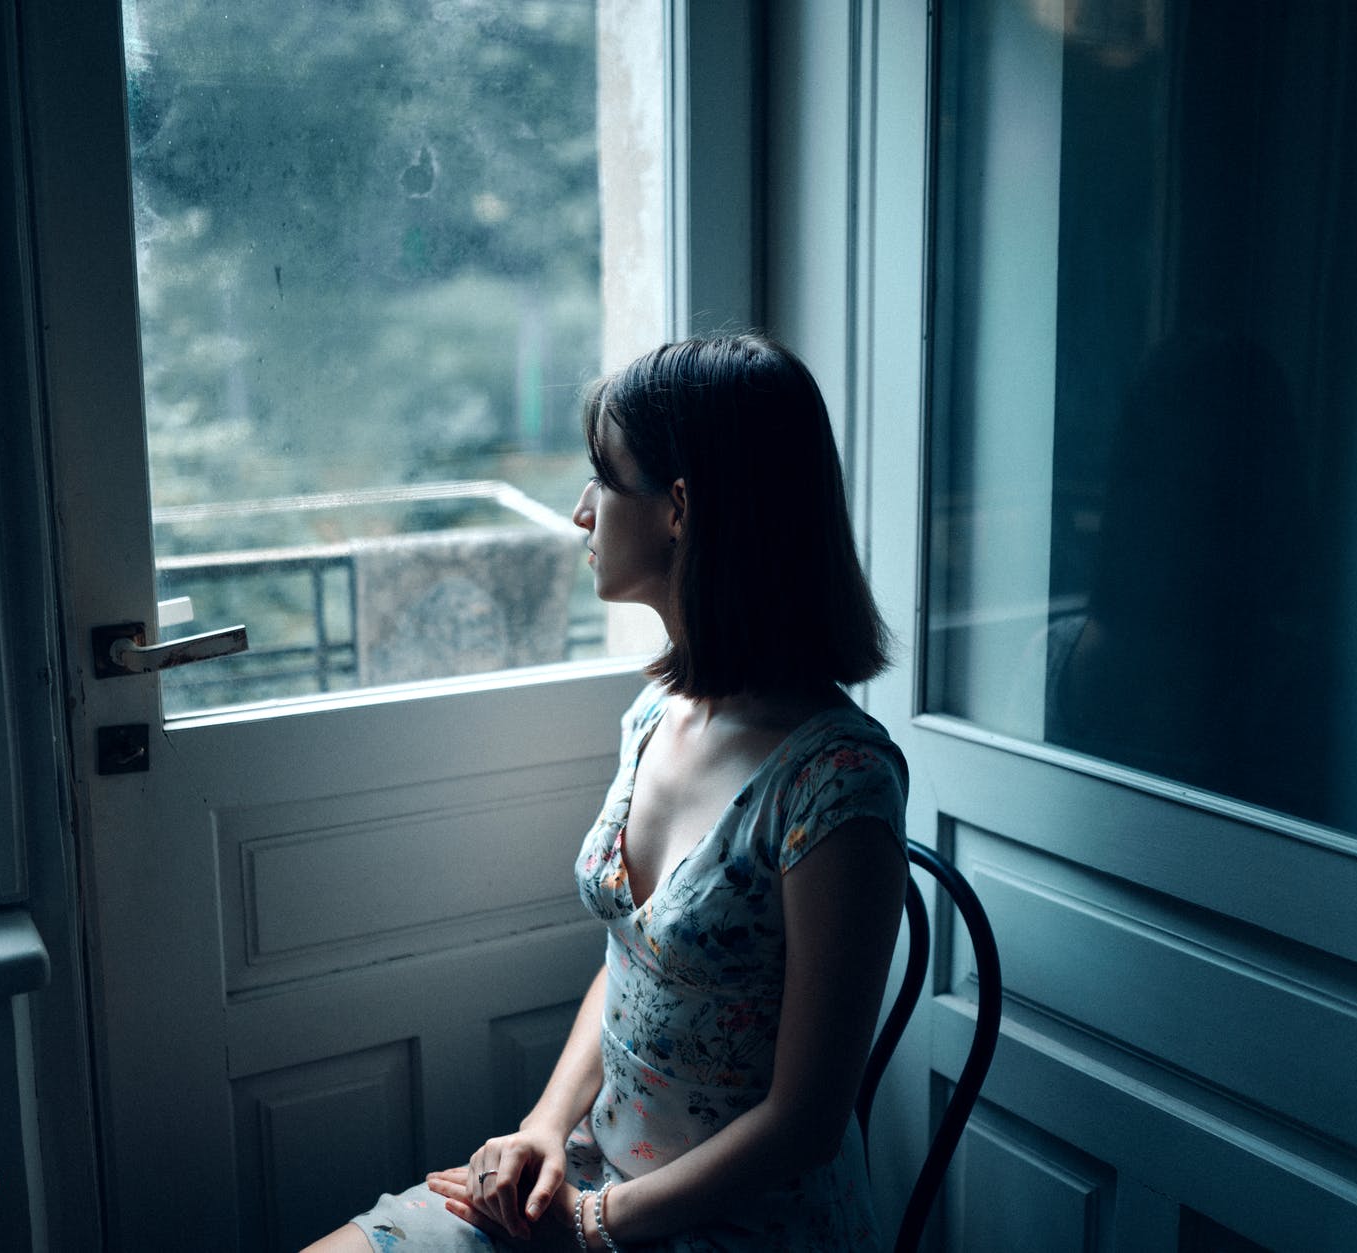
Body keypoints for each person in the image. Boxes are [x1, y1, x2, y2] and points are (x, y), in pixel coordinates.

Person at [302, 335, 910, 1252]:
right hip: (596, 1175)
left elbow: (805, 1122)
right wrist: (545, 1127)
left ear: (679, 508)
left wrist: (593, 1226)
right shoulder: (656, 711)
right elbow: (631, 960)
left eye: (603, 477)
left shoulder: (838, 786)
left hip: (737, 1226)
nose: (581, 511)